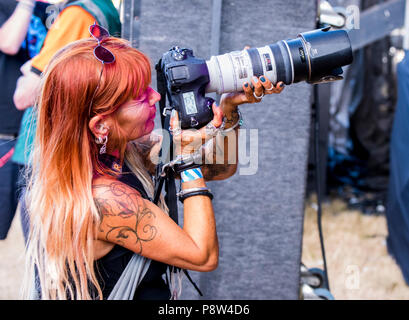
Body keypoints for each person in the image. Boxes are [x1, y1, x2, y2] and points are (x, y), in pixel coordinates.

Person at [22, 26, 284, 300]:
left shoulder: (125, 151)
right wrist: (186, 158)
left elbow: (220, 168)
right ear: (100, 125)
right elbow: (202, 255)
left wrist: (229, 107)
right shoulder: (104, 199)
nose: (156, 97)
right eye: (139, 96)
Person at [12, 0, 121, 241]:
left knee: (43, 257)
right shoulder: (104, 10)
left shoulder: (78, 13)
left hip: (51, 150)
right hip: (73, 147)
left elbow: (25, 95)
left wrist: (27, 73)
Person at [0, 0, 48, 240]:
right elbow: (8, 43)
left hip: (39, 135)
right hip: (5, 132)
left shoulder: (62, 10)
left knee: (37, 229)